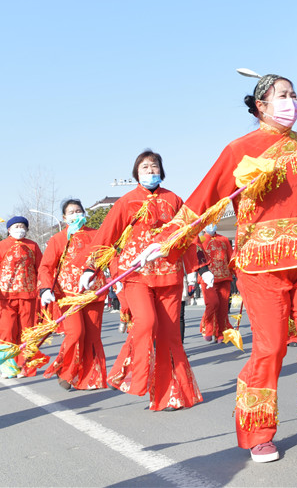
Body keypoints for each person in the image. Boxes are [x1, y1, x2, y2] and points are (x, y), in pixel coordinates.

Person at [157, 73, 297, 464]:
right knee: (271, 347)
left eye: (294, 95)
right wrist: (167, 238)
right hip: (262, 267)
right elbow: (203, 200)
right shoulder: (239, 150)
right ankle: (258, 432)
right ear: (261, 105)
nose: (291, 101)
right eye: (283, 95)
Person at [79, 150, 203, 411]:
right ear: (136, 173)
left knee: (170, 336)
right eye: (145, 167)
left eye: (154, 166)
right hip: (136, 276)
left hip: (169, 275)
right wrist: (90, 268)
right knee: (146, 323)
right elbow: (105, 237)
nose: (150, 171)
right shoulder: (126, 202)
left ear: (162, 170)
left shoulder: (175, 200)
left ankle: (171, 395)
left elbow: (190, 235)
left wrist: (199, 269)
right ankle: (130, 376)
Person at [38, 199, 107, 391]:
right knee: (76, 332)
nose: (76, 215)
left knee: (92, 335)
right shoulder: (58, 239)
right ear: (64, 217)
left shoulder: (97, 235)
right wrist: (45, 288)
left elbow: (109, 257)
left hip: (94, 292)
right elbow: (45, 267)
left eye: (79, 211)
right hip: (68, 294)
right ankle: (65, 370)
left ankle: (90, 378)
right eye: (71, 212)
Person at [0, 218, 43, 374]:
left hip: (28, 294)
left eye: (22, 226)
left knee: (27, 331)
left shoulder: (33, 245)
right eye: (16, 226)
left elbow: (40, 268)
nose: (19, 229)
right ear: (8, 229)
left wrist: (44, 288)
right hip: (6, 296)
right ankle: (8, 366)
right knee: (7, 330)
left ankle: (26, 366)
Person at [197, 224, 235, 342]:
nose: (212, 225)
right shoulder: (201, 240)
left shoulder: (224, 239)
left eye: (214, 222)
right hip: (207, 278)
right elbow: (197, 259)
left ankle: (221, 332)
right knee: (213, 303)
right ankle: (207, 327)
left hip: (224, 276)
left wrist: (237, 272)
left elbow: (231, 257)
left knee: (223, 306)